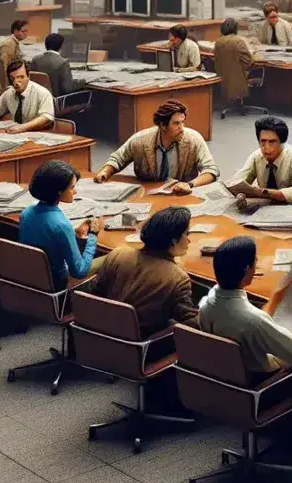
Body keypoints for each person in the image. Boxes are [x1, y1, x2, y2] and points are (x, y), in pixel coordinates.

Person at [197, 235, 292, 377]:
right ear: (247, 270)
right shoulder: (255, 321)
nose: (256, 264)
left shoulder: (206, 305)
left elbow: (251, 322)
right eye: (255, 261)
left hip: (227, 375)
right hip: (261, 381)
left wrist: (275, 299)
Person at [91, 205, 199, 339]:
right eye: (187, 234)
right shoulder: (178, 278)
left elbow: (96, 292)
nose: (189, 240)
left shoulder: (118, 253)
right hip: (141, 345)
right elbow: (189, 323)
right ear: (173, 241)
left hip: (100, 332)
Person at [95, 98, 220, 189]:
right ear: (163, 125)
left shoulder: (193, 139)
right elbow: (118, 159)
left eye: (183, 122)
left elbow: (211, 170)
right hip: (148, 193)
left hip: (181, 195)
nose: (181, 128)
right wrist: (105, 172)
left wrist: (190, 184)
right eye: (176, 123)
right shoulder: (140, 140)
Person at [19, 160, 102, 290]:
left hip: (31, 284)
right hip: (57, 289)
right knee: (111, 258)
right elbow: (79, 271)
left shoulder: (26, 213)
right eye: (72, 187)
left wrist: (75, 233)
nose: (75, 192)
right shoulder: (61, 225)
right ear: (59, 191)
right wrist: (93, 235)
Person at [230, 116, 292, 210]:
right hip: (265, 207)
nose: (266, 147)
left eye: (272, 142)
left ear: (281, 142)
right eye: (263, 142)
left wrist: (266, 192)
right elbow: (237, 182)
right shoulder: (257, 156)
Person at [213, 17, 254, 107]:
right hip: (238, 79)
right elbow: (248, 61)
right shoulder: (238, 41)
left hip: (223, 79)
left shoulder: (218, 42)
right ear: (235, 28)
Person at [28, 32, 76, 97]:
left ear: (45, 45)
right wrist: (83, 81)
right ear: (61, 46)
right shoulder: (63, 62)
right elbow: (68, 88)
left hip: (36, 98)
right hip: (56, 101)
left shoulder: (35, 60)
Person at [0, 19, 28, 87]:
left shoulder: (14, 43)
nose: (26, 33)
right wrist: (7, 87)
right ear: (15, 31)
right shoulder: (8, 44)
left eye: (26, 31)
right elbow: (3, 69)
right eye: (23, 31)